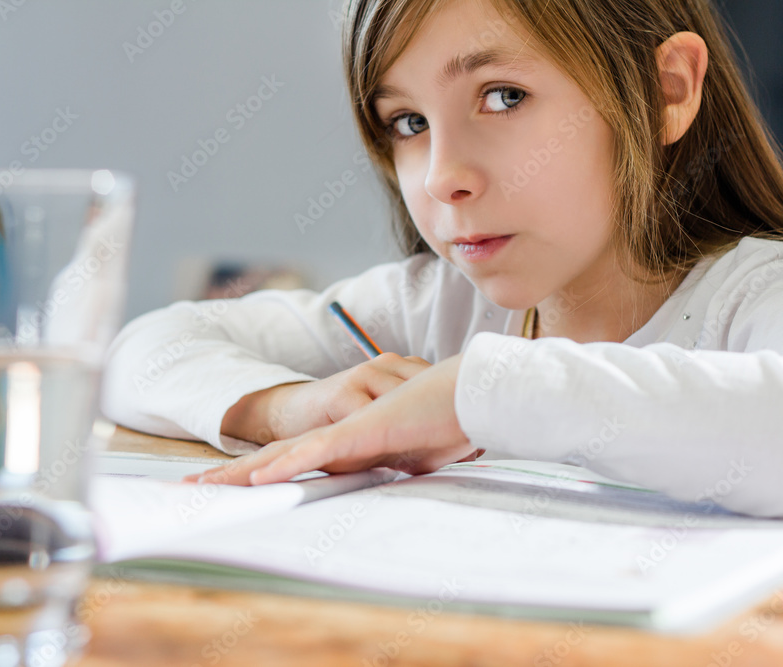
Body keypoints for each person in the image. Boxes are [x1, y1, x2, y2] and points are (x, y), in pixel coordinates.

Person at [102, 0, 783, 517]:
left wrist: (474, 397)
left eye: (503, 96)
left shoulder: (752, 294)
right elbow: (147, 349)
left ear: (668, 90)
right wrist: (290, 406)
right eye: (409, 122)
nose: (439, 176)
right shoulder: (433, 305)